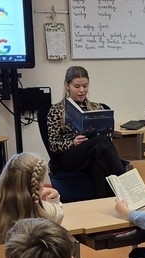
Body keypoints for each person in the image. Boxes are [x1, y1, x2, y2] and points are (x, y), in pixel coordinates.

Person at [46, 65, 126, 198]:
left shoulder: (96, 107)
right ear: (67, 86)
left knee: (100, 156)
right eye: (77, 86)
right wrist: (72, 142)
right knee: (101, 143)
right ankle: (128, 184)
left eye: (85, 86)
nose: (82, 90)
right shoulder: (56, 110)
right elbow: (53, 144)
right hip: (70, 156)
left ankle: (104, 202)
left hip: (93, 152)